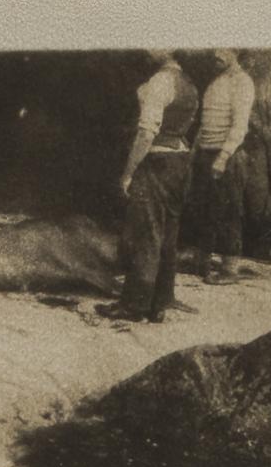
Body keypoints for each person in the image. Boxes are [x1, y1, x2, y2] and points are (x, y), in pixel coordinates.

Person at [95, 49, 199, 323]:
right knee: (168, 234)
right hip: (180, 163)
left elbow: (146, 133)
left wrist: (129, 172)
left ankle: (134, 305)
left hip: (157, 162)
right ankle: (161, 301)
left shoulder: (160, 82)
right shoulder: (188, 83)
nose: (147, 48)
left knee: (147, 233)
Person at [186, 48, 256, 285]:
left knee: (229, 212)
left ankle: (229, 270)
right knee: (204, 208)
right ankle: (202, 262)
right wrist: (195, 151)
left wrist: (223, 157)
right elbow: (206, 123)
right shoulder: (217, 81)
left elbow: (240, 126)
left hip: (228, 154)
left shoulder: (242, 82)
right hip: (206, 152)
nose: (216, 53)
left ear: (236, 50)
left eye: (223, 48)